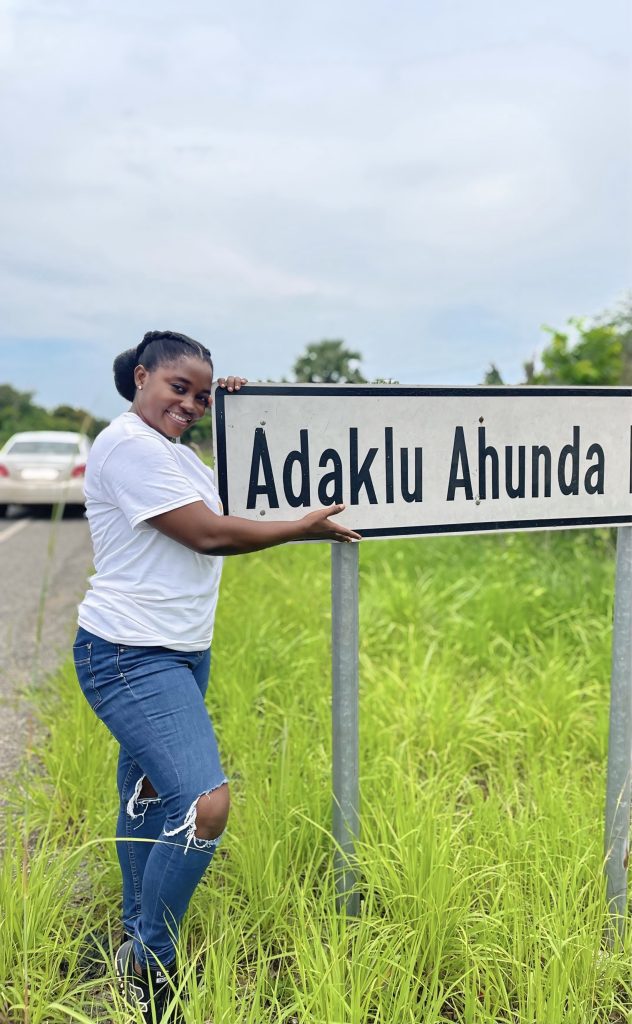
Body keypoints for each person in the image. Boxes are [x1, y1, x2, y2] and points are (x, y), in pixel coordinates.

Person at [72, 330, 360, 1021]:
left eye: (202, 395)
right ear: (141, 376)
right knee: (203, 806)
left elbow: (225, 490)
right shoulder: (127, 447)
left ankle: (133, 928)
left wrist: (237, 408)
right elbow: (208, 532)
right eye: (179, 388)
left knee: (146, 792)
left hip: (177, 651)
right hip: (128, 653)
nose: (192, 403)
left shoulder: (171, 452)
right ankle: (150, 959)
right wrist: (300, 529)